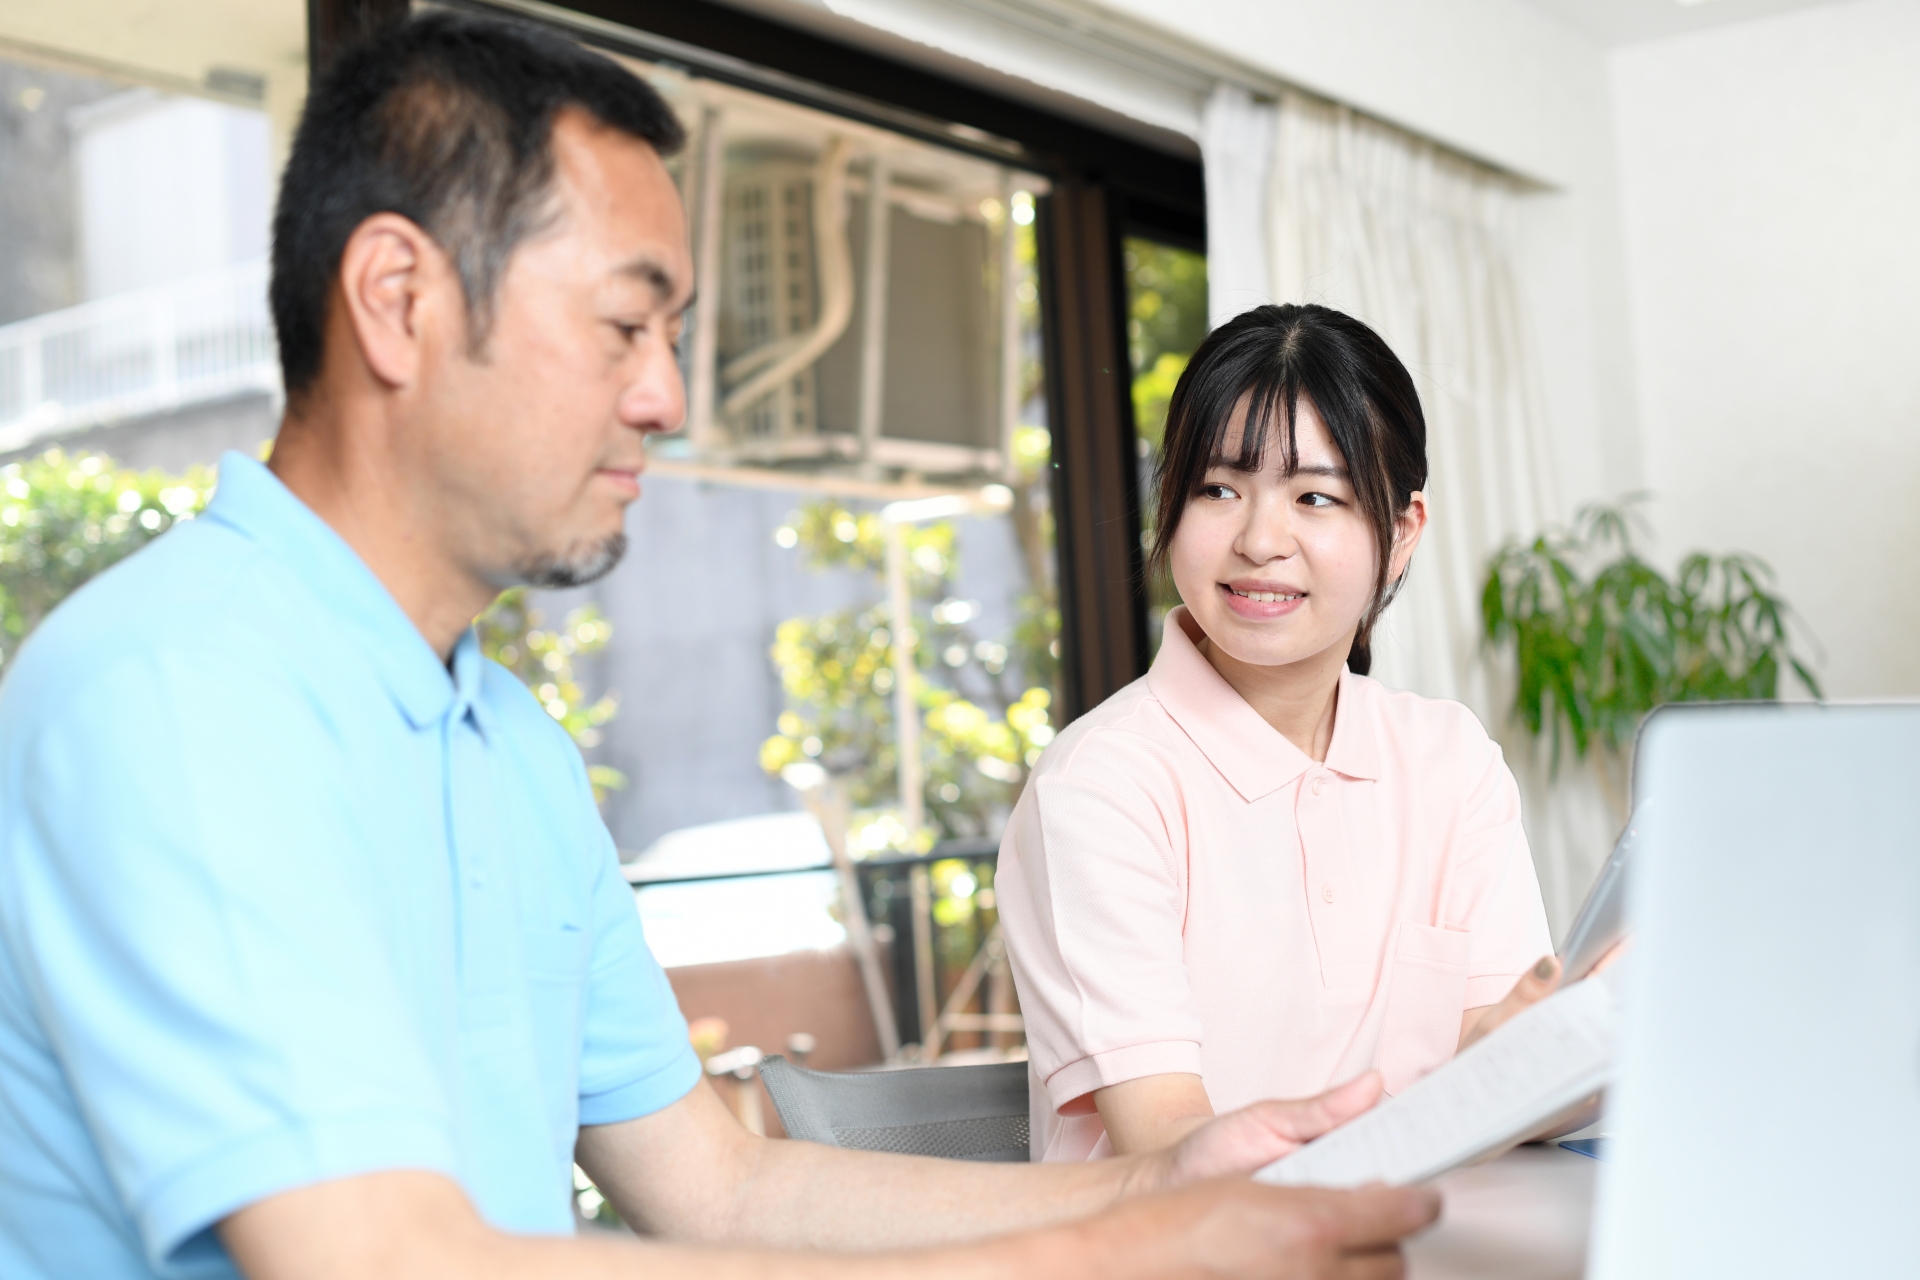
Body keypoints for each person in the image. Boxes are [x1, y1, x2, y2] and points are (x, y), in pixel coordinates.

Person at [0, 16, 1440, 1279]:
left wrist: (1154, 1186)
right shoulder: (175, 690)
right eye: (629, 324)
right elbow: (389, 1262)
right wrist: (1111, 1257)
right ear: (400, 299)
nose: (669, 396)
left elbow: (720, 1183)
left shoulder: (503, 740)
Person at [997, 304, 1565, 1163]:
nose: (1260, 540)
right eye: (1218, 489)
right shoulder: (1102, 785)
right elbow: (1174, 1152)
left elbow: (1508, 1059)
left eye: (1315, 497)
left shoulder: (1448, 758)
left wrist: (1584, 1033)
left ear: (1402, 533)